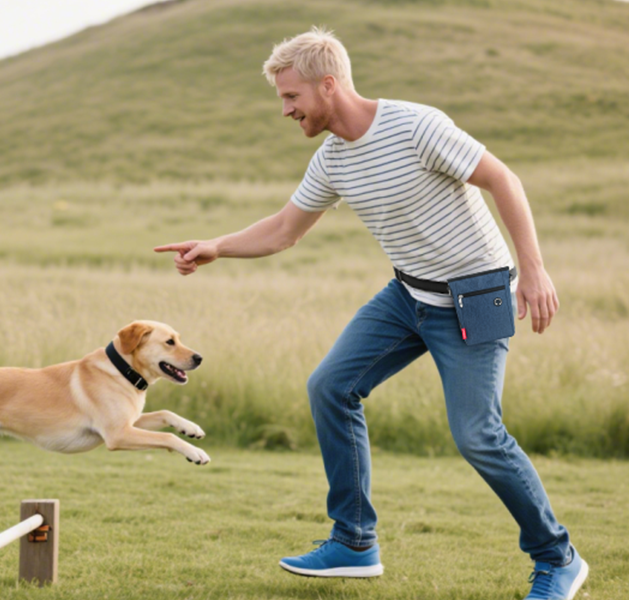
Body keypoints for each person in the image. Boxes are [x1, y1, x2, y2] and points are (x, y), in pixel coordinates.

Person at [153, 27, 587, 600]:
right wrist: (215, 246)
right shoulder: (333, 157)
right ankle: (354, 542)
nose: (285, 110)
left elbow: (502, 179)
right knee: (331, 386)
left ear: (328, 86)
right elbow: (284, 230)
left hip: (476, 294)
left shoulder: (415, 126)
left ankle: (558, 559)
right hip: (408, 296)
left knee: (478, 434)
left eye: (291, 97)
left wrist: (533, 269)